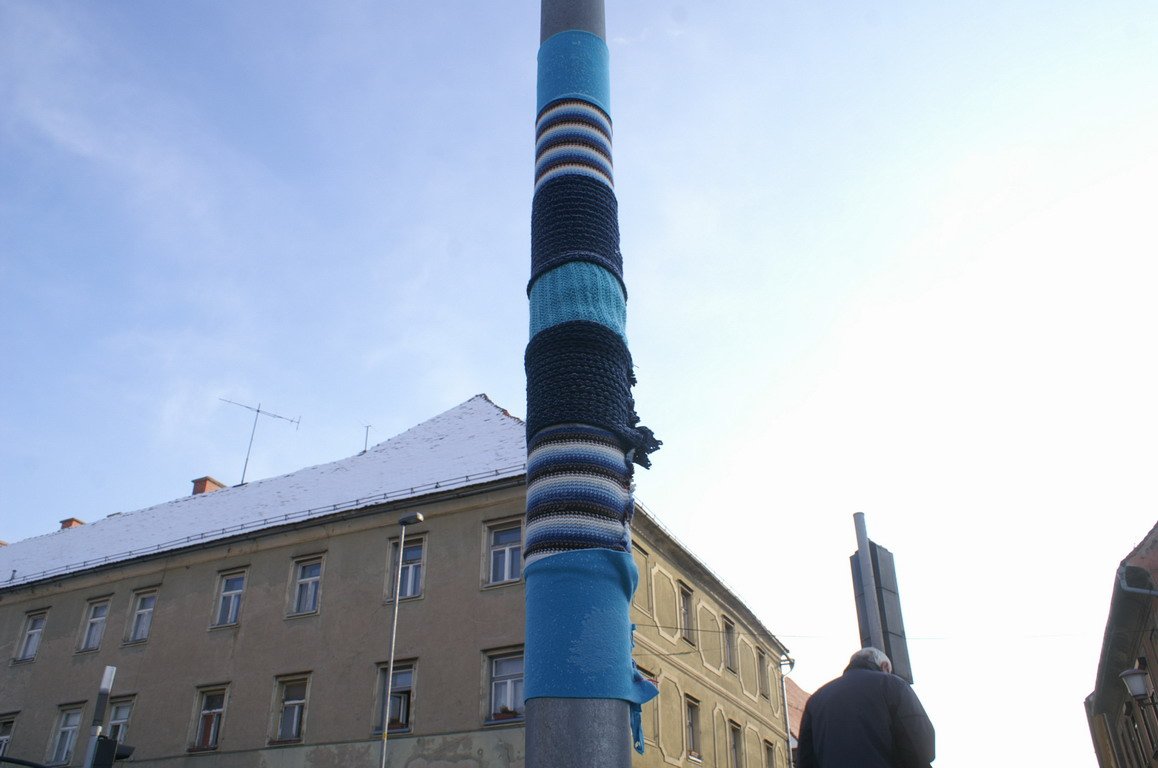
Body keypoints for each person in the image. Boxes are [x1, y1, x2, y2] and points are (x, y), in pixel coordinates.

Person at [796, 647, 935, 768]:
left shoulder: (816, 699)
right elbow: (920, 744)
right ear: (885, 666)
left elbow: (805, 759)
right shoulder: (893, 685)